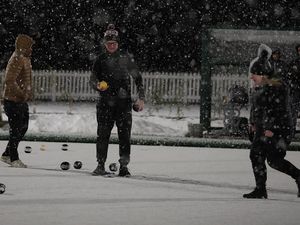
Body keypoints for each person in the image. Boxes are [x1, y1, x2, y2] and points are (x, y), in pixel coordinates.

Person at [244, 44, 300, 199]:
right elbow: (256, 107)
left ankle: (298, 176)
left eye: (254, 74)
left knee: (274, 160)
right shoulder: (259, 87)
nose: (252, 77)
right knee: (256, 154)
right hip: (264, 127)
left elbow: (279, 112)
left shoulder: (278, 87)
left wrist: (272, 130)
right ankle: (260, 189)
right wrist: (253, 123)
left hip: (280, 128)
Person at [89, 24, 145, 177]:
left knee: (125, 136)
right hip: (105, 104)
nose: (112, 45)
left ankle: (124, 167)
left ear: (118, 43)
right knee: (102, 135)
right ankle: (100, 165)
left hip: (124, 104)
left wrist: (141, 98)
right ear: (105, 44)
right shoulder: (100, 59)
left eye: (114, 43)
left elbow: (138, 79)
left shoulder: (126, 58)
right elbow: (92, 80)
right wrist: (97, 86)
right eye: (109, 43)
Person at [0, 34, 35, 168]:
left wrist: (27, 93)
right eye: (29, 46)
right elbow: (9, 80)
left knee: (23, 127)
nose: (31, 49)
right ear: (23, 46)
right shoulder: (16, 59)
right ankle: (14, 158)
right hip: (13, 100)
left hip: (20, 101)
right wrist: (21, 94)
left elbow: (25, 80)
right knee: (16, 129)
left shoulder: (25, 58)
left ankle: (6, 154)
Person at [287, 44, 300, 138]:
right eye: (299, 50)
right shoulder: (294, 63)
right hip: (295, 90)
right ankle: (292, 131)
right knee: (293, 112)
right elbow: (289, 76)